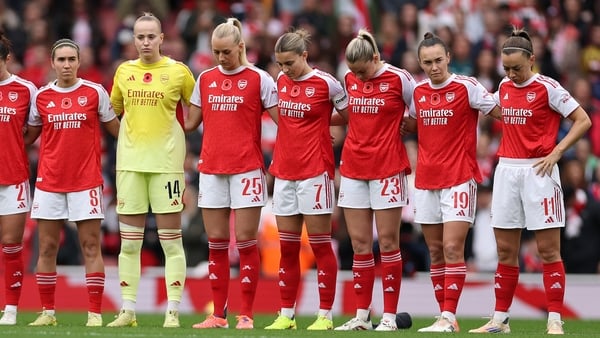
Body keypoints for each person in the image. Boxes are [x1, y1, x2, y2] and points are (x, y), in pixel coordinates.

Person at [469, 28, 592, 335]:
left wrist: (558, 151)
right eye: (506, 68)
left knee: (549, 250)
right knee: (506, 251)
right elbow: (506, 113)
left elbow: (583, 120)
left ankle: (554, 318)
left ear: (532, 60)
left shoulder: (548, 88)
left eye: (517, 68)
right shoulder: (504, 86)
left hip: (539, 171)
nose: (511, 74)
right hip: (507, 171)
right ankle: (500, 319)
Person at [184, 18, 278, 330]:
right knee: (217, 242)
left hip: (247, 169)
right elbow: (189, 124)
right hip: (211, 169)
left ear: (241, 47)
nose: (221, 58)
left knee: (247, 241)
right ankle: (218, 315)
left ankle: (247, 315)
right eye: (216, 52)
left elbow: (284, 122)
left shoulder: (259, 79)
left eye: (226, 52)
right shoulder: (205, 79)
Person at [404, 32, 500, 333]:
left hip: (459, 177)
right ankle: (444, 316)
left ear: (448, 58)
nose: (434, 67)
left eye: (438, 60)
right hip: (426, 180)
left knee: (451, 247)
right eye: (427, 62)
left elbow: (500, 111)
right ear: (421, 63)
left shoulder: (467, 86)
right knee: (434, 251)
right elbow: (409, 124)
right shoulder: (418, 93)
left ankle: (448, 315)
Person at [106, 12, 195, 328]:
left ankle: (172, 310)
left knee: (171, 241)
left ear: (161, 38)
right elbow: (112, 113)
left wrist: (182, 142)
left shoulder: (179, 73)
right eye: (139, 36)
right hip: (130, 167)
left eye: (150, 36)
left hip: (166, 168)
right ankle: (128, 311)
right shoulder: (123, 72)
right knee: (129, 243)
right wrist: (129, 142)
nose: (145, 41)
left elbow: (196, 111)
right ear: (134, 40)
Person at [24, 38, 120, 327]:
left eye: (71, 59)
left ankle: (94, 314)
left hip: (86, 182)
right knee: (47, 248)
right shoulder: (41, 97)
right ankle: (47, 312)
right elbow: (27, 138)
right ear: (52, 63)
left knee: (91, 246)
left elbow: (118, 132)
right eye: (61, 60)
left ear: (79, 62)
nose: (66, 64)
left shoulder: (95, 93)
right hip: (49, 182)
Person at [331, 28, 415, 332]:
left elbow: (418, 109)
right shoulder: (350, 79)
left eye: (363, 70)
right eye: (353, 71)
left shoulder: (399, 79)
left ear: (376, 58)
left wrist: (409, 124)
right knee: (359, 245)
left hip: (388, 168)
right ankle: (362, 315)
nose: (358, 77)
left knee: (389, 243)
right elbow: (345, 115)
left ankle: (389, 317)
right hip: (353, 167)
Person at [264, 28, 348, 330]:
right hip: (284, 172)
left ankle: (324, 315)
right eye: (280, 64)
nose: (284, 70)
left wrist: (325, 124)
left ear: (304, 55)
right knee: (287, 248)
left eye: (289, 63)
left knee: (320, 245)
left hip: (315, 173)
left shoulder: (327, 84)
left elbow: (349, 115)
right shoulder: (280, 82)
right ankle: (286, 314)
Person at [0, 33, 37, 326]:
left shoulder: (25, 89)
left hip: (13, 178)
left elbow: (33, 129)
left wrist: (13, 145)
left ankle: (10, 308)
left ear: (7, 59)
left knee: (11, 244)